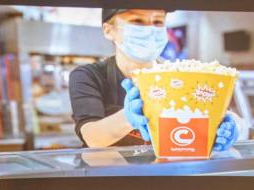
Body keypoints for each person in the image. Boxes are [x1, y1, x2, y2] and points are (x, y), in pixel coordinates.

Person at [69, 8, 241, 150]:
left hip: (164, 175)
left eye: (158, 22)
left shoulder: (178, 74)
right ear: (108, 30)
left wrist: (233, 125)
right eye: (137, 21)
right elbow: (92, 137)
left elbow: (221, 112)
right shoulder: (88, 75)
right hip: (108, 180)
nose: (149, 29)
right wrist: (128, 117)